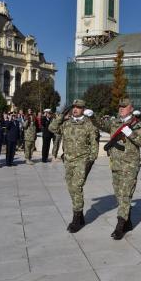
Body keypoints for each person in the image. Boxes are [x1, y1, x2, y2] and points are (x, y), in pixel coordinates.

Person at [90, 98, 141, 240]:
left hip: (130, 165)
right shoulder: (114, 122)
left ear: (131, 108)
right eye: (120, 106)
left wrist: (131, 134)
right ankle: (127, 221)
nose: (121, 108)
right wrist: (92, 117)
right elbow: (100, 124)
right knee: (118, 195)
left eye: (124, 106)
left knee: (125, 195)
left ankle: (120, 225)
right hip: (116, 165)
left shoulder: (137, 125)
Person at [49, 99, 99, 233]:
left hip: (82, 161)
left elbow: (94, 144)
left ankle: (76, 218)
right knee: (71, 187)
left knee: (76, 187)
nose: (75, 109)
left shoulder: (88, 124)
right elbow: (52, 128)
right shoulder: (67, 123)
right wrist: (61, 115)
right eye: (73, 107)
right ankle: (80, 215)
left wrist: (90, 160)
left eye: (78, 107)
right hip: (68, 160)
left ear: (83, 109)